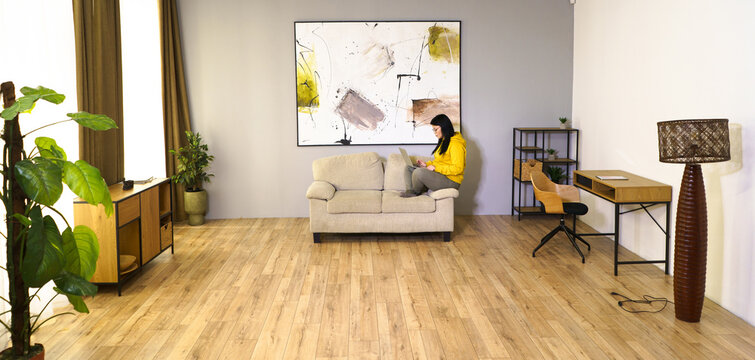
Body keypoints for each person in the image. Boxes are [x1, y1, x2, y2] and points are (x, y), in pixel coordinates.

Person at [401, 114, 466, 197]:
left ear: (444, 127)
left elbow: (458, 168)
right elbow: (439, 161)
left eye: (436, 129)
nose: (435, 133)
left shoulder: (456, 144)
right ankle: (410, 191)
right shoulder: (444, 141)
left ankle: (415, 193)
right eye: (433, 130)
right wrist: (426, 164)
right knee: (409, 168)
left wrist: (436, 168)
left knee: (419, 172)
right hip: (441, 175)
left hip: (451, 181)